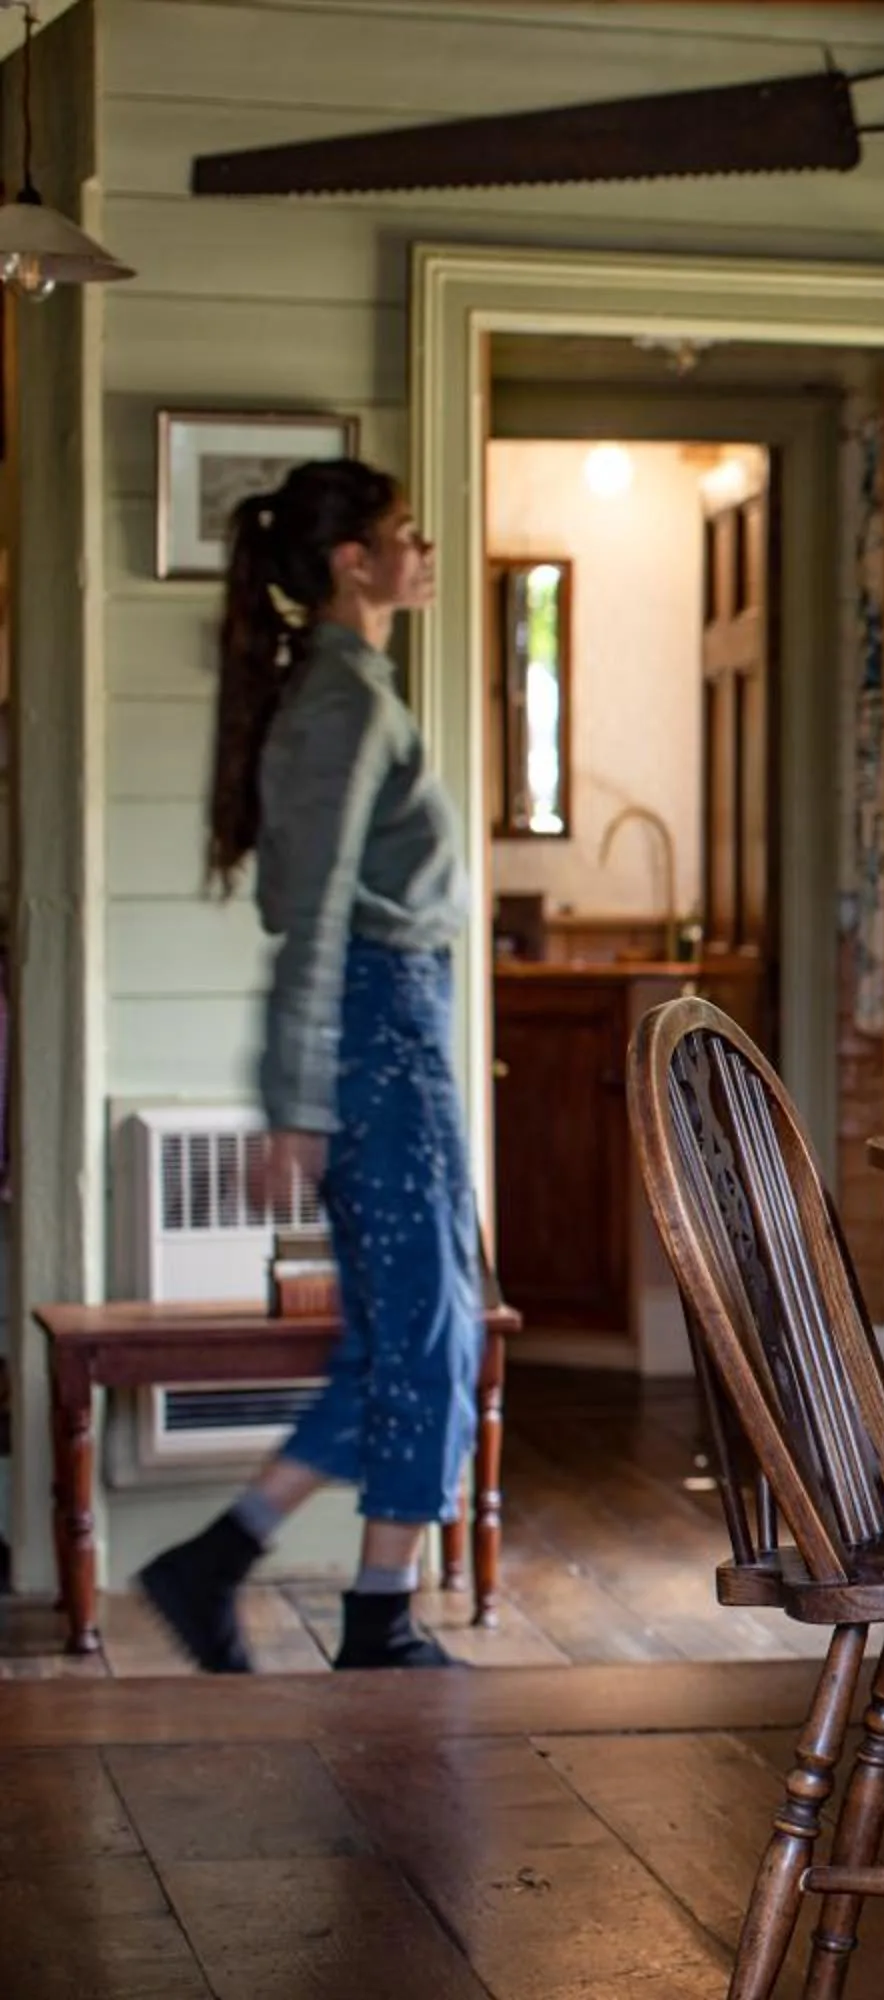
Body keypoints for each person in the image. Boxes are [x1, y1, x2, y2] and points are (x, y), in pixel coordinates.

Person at [137, 460, 478, 1672]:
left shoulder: (354, 689)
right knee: (429, 1334)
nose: (424, 548)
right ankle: (378, 1616)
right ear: (355, 560)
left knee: (413, 1332)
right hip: (380, 1029)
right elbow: (319, 919)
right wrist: (297, 1104)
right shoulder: (341, 701)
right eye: (406, 531)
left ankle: (224, 1559)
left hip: (399, 1023)